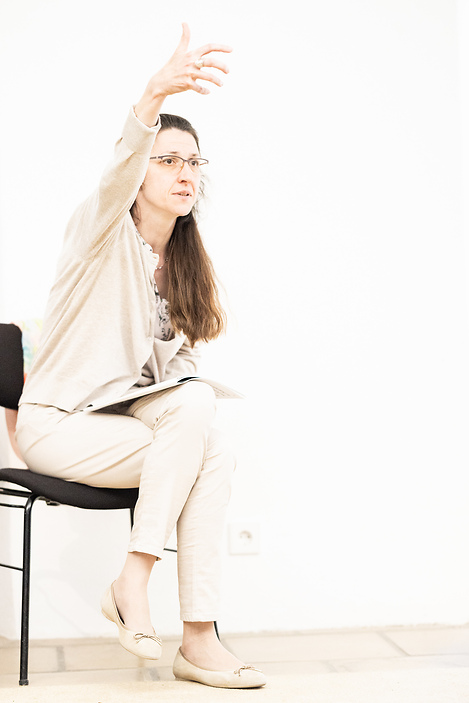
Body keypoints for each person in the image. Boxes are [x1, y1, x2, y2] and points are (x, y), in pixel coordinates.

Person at [15, 23, 266, 690]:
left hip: (117, 427)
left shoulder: (183, 266)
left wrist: (185, 386)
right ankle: (173, 616)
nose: (185, 173)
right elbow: (118, 165)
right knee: (205, 441)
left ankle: (177, 619)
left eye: (194, 163)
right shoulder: (98, 232)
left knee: (207, 433)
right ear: (140, 172)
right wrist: (155, 92)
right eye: (168, 160)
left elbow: (164, 381)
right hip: (57, 425)